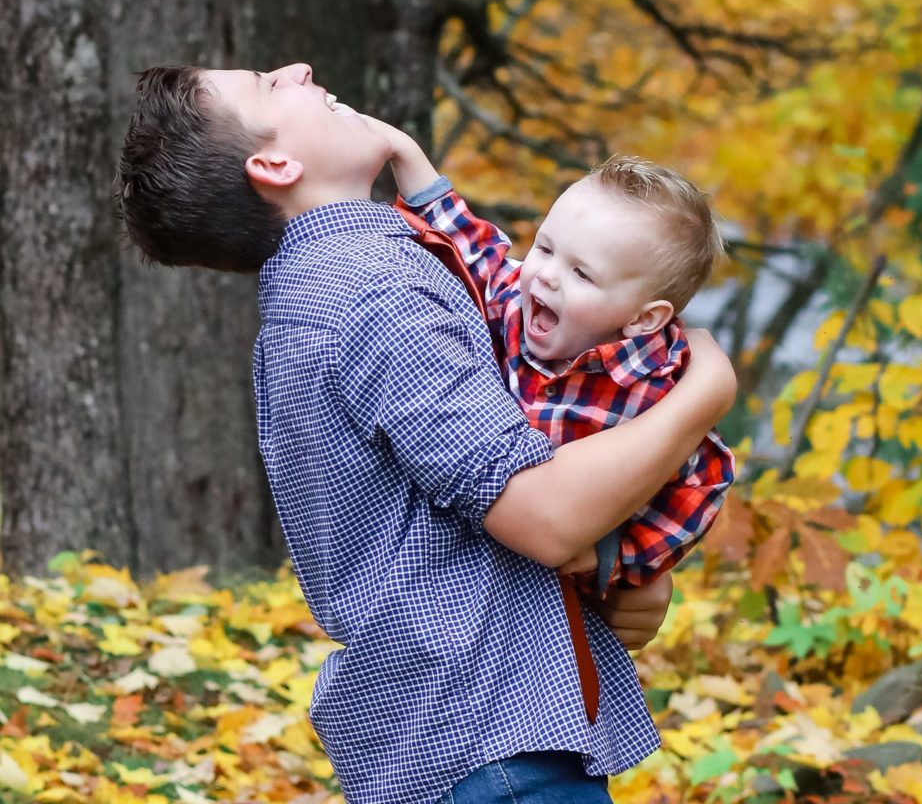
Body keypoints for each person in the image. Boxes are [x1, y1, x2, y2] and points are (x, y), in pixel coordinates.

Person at [114, 62, 737, 804]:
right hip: (486, 734)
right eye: (266, 83)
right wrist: (702, 395)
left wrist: (614, 560)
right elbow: (542, 517)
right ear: (274, 164)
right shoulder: (376, 294)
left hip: (461, 725)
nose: (300, 69)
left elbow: (449, 516)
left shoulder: (334, 285)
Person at [379, 130, 735, 595]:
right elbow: (468, 244)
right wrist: (403, 153)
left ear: (643, 318)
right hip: (457, 558)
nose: (545, 275)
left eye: (581, 273)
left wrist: (617, 553)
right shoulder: (511, 302)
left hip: (555, 596)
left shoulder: (655, 386)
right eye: (545, 249)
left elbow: (702, 483)